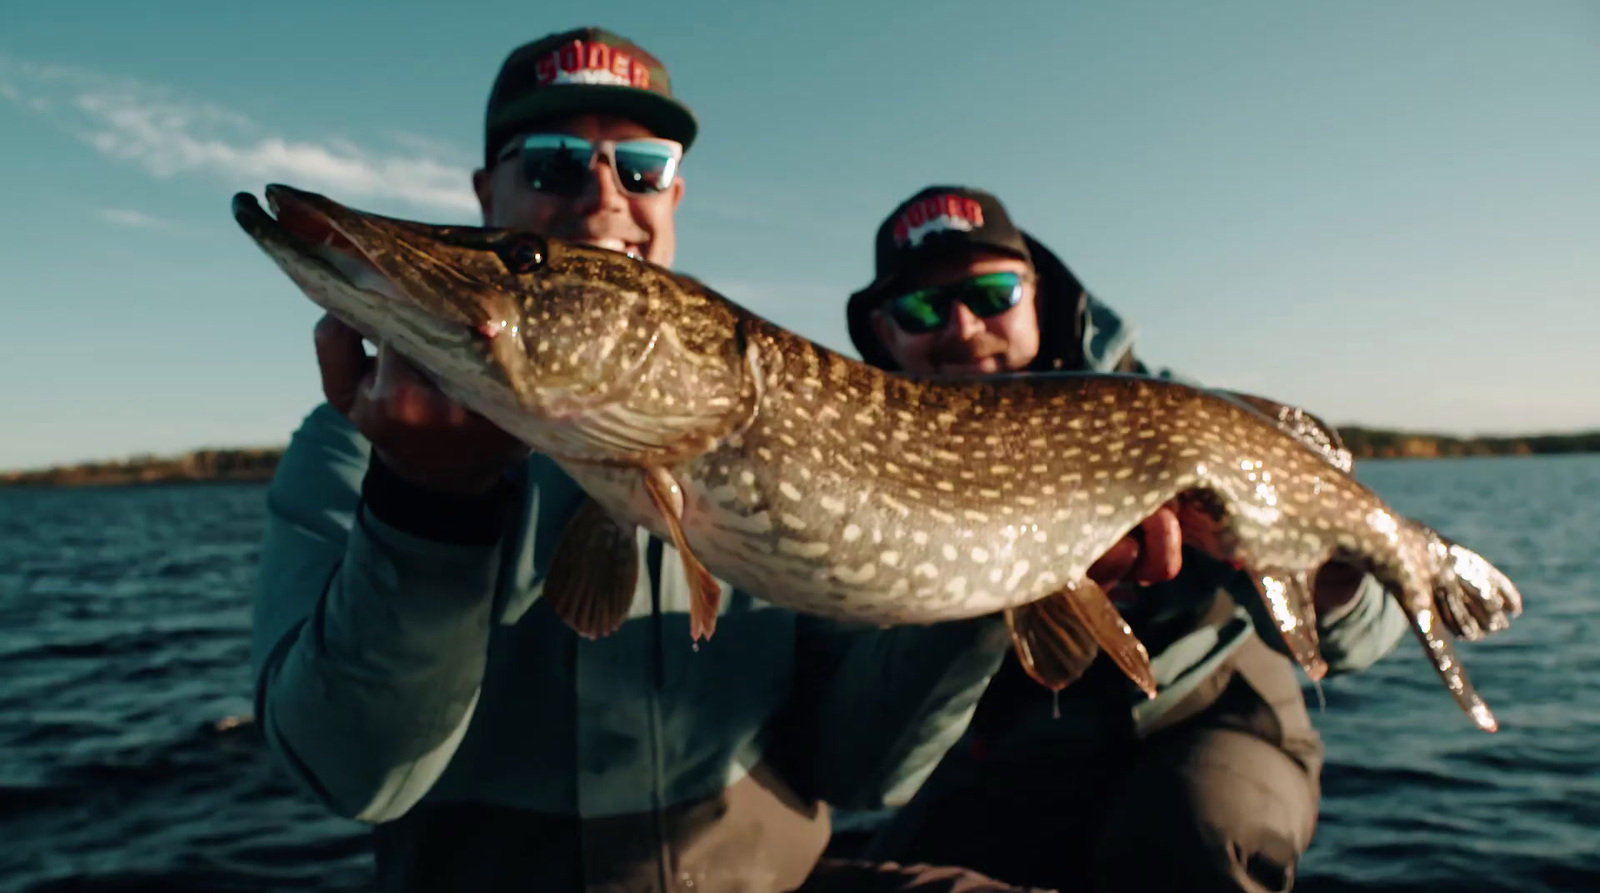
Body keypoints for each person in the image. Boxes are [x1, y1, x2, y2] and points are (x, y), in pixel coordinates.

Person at [248, 29, 1181, 893]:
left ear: (674, 197)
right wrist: (424, 508)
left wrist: (1006, 573)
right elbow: (348, 774)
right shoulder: (353, 447)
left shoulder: (793, 422)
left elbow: (859, 771)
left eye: (643, 167)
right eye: (553, 164)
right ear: (487, 194)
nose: (604, 196)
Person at [840, 185, 1415, 893]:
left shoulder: (1165, 409)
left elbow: (1357, 641)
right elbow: (866, 769)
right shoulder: (861, 467)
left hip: (1205, 715)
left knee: (1196, 845)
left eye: (992, 294)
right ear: (884, 334)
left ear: (1038, 297)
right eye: (921, 308)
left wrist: (1331, 578)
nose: (962, 328)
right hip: (1009, 745)